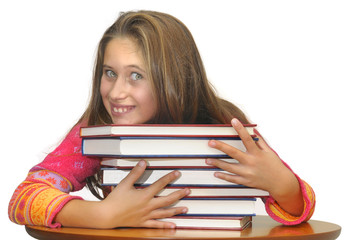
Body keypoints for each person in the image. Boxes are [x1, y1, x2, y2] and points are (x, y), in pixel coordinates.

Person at [8, 10, 315, 229]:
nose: (116, 92)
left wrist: (283, 186)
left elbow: (299, 207)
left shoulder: (223, 123)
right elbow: (24, 197)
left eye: (136, 76)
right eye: (110, 73)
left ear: (174, 79)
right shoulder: (98, 128)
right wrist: (100, 215)